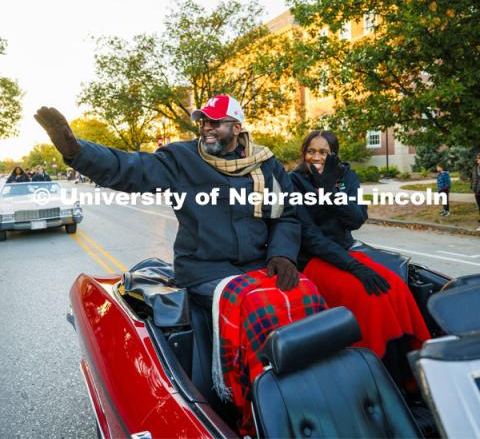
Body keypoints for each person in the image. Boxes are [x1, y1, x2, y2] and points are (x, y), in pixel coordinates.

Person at [34, 95, 325, 435]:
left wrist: (283, 255)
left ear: (237, 126)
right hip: (206, 270)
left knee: (307, 291)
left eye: (215, 122)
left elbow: (287, 216)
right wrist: (76, 151)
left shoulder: (267, 165)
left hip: (258, 265)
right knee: (257, 305)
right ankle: (255, 404)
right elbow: (129, 169)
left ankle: (311, 392)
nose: (206, 127)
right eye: (202, 121)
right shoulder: (182, 158)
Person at [290, 130, 430, 363]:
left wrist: (330, 192)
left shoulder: (346, 177)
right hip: (312, 258)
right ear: (303, 153)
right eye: (311, 151)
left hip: (344, 251)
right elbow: (310, 236)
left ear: (333, 154)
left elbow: (355, 219)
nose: (316, 157)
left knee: (395, 287)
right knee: (369, 296)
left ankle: (408, 369)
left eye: (323, 152)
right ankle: (373, 364)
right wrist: (353, 266)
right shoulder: (294, 181)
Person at [471, 153, 480, 231]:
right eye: (478, 159)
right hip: (477, 190)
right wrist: (473, 189)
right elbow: (473, 179)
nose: (478, 160)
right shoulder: (475, 168)